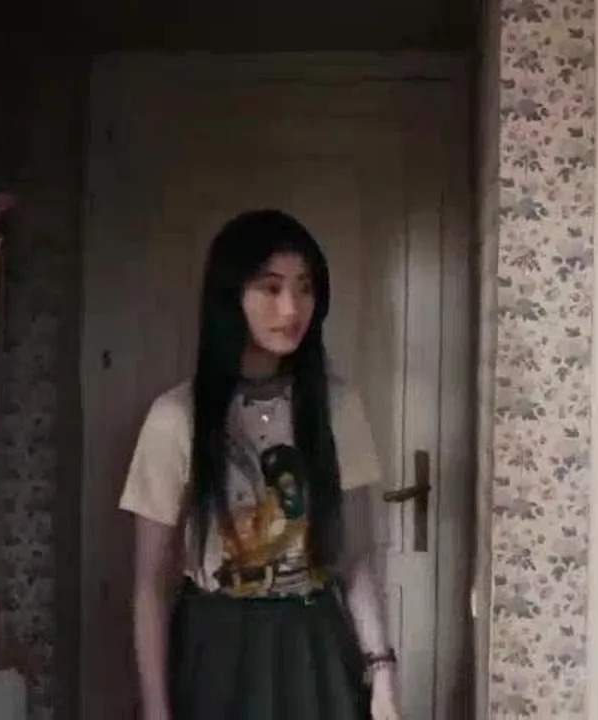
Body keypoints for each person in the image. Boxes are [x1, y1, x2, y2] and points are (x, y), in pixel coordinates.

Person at [119, 209, 401, 720]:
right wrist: (156, 710)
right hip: (215, 648)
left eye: (304, 288)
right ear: (232, 296)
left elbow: (355, 558)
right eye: (270, 288)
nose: (291, 307)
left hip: (314, 643)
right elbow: (151, 587)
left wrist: (381, 673)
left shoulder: (338, 407)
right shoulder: (175, 416)